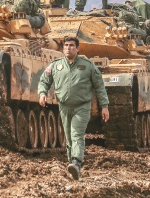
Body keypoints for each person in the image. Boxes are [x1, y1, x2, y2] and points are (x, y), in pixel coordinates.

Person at [38, 36, 109, 180]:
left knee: (76, 134)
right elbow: (44, 80)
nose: (68, 48)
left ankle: (76, 162)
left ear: (77, 49)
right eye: (66, 45)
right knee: (69, 138)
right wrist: (42, 93)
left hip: (81, 106)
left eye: (71, 45)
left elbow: (99, 86)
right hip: (64, 106)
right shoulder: (56, 65)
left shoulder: (87, 65)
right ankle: (73, 165)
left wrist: (104, 106)